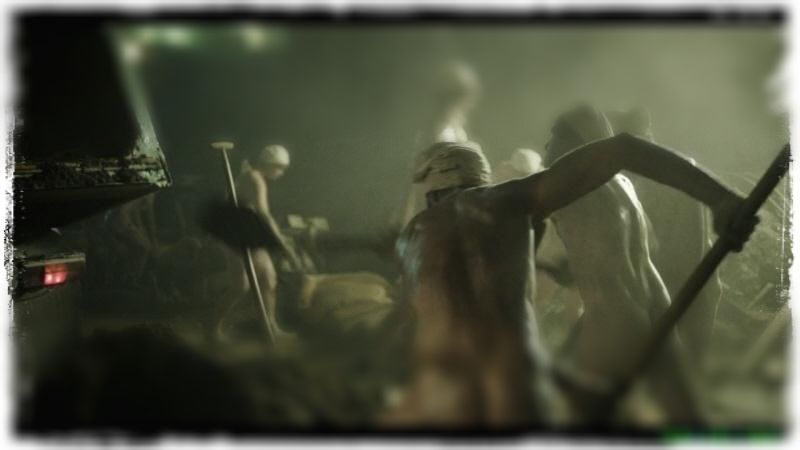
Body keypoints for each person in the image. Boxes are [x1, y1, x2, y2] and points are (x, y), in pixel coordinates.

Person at [208, 124, 754, 426]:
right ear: (479, 179)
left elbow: (428, 333)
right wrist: (722, 200)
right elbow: (625, 149)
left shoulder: (411, 240)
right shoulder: (511, 204)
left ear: (432, 189)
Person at [541, 105, 714, 423]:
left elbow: (554, 266)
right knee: (685, 416)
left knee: (584, 424)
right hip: (658, 311)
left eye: (554, 137)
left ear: (575, 145)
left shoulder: (565, 187)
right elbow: (647, 247)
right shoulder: (624, 187)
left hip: (612, 320)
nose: (546, 146)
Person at [606, 107, 723, 373]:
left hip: (680, 287)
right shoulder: (624, 178)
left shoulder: (670, 174)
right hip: (669, 285)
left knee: (677, 370)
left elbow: (691, 248)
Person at [209, 144, 300, 342]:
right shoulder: (255, 178)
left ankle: (271, 328)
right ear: (269, 163)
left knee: (269, 279)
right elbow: (263, 213)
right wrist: (282, 243)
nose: (281, 172)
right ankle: (212, 329)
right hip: (235, 234)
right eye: (279, 167)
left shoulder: (253, 176)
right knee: (240, 286)